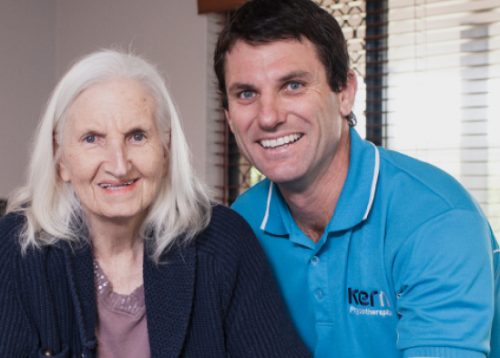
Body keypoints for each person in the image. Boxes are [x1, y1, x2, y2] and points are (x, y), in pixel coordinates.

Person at [213, 0, 500, 357]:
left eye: (293, 85)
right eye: (246, 94)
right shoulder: (239, 226)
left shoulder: (437, 222)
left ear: (345, 93)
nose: (268, 116)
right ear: (228, 115)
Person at [0, 49, 310, 357]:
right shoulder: (16, 250)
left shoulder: (223, 242)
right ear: (60, 159)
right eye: (92, 138)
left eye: (137, 136)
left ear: (166, 148)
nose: (119, 165)